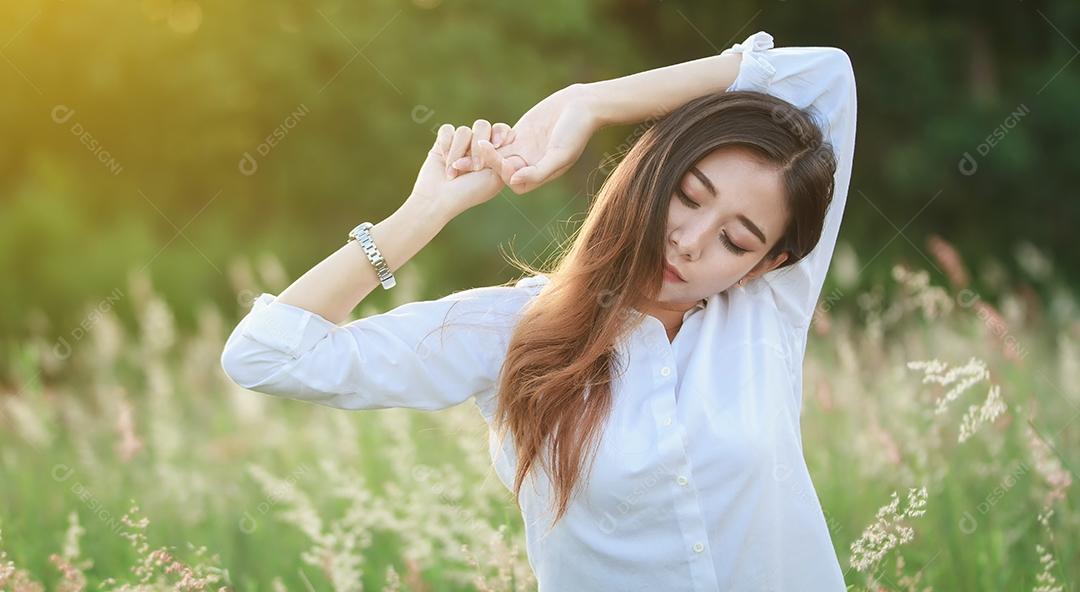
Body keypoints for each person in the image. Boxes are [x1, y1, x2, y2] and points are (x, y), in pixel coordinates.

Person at [220, 30, 856, 591]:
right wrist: (425, 212)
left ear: (769, 262)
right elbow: (268, 353)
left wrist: (589, 100)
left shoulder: (764, 311)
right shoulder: (508, 330)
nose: (690, 241)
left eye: (735, 240)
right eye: (689, 197)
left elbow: (826, 74)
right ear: (651, 174)